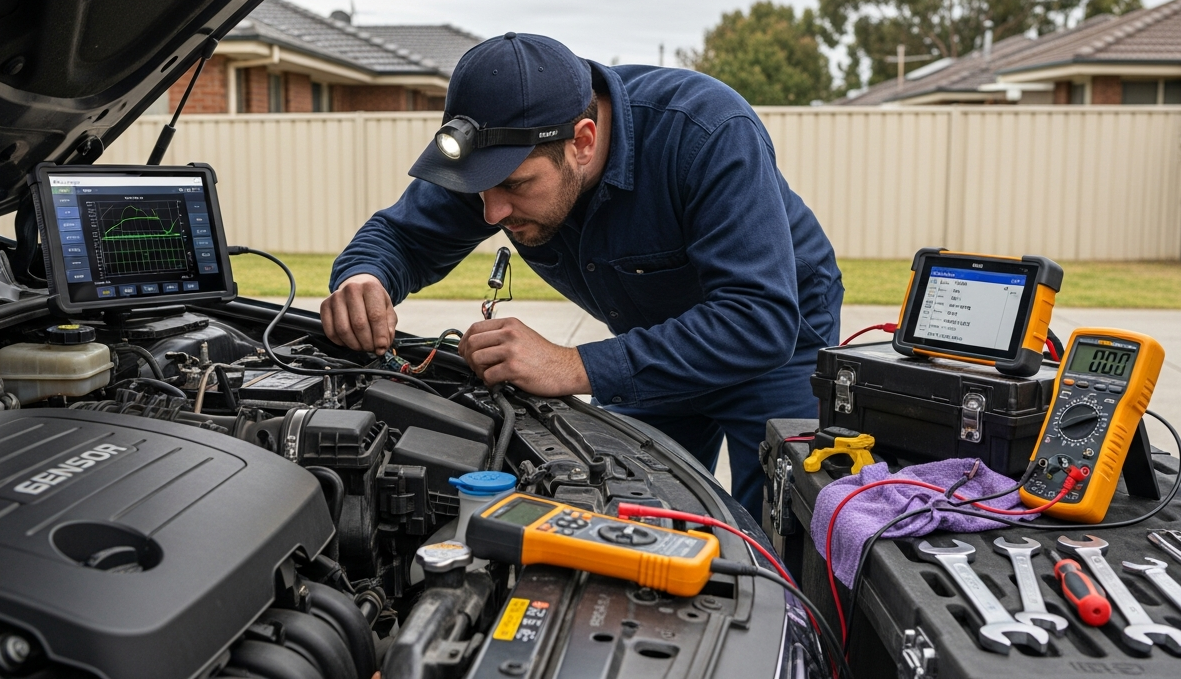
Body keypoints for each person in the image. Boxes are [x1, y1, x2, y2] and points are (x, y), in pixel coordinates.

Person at [321, 32, 841, 518]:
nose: (491, 213)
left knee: (774, 527)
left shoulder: (706, 130)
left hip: (778, 344)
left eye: (516, 187)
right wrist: (364, 280)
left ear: (584, 141)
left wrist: (571, 365)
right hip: (653, 348)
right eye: (480, 190)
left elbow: (758, 318)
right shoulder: (499, 159)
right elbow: (401, 236)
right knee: (637, 513)